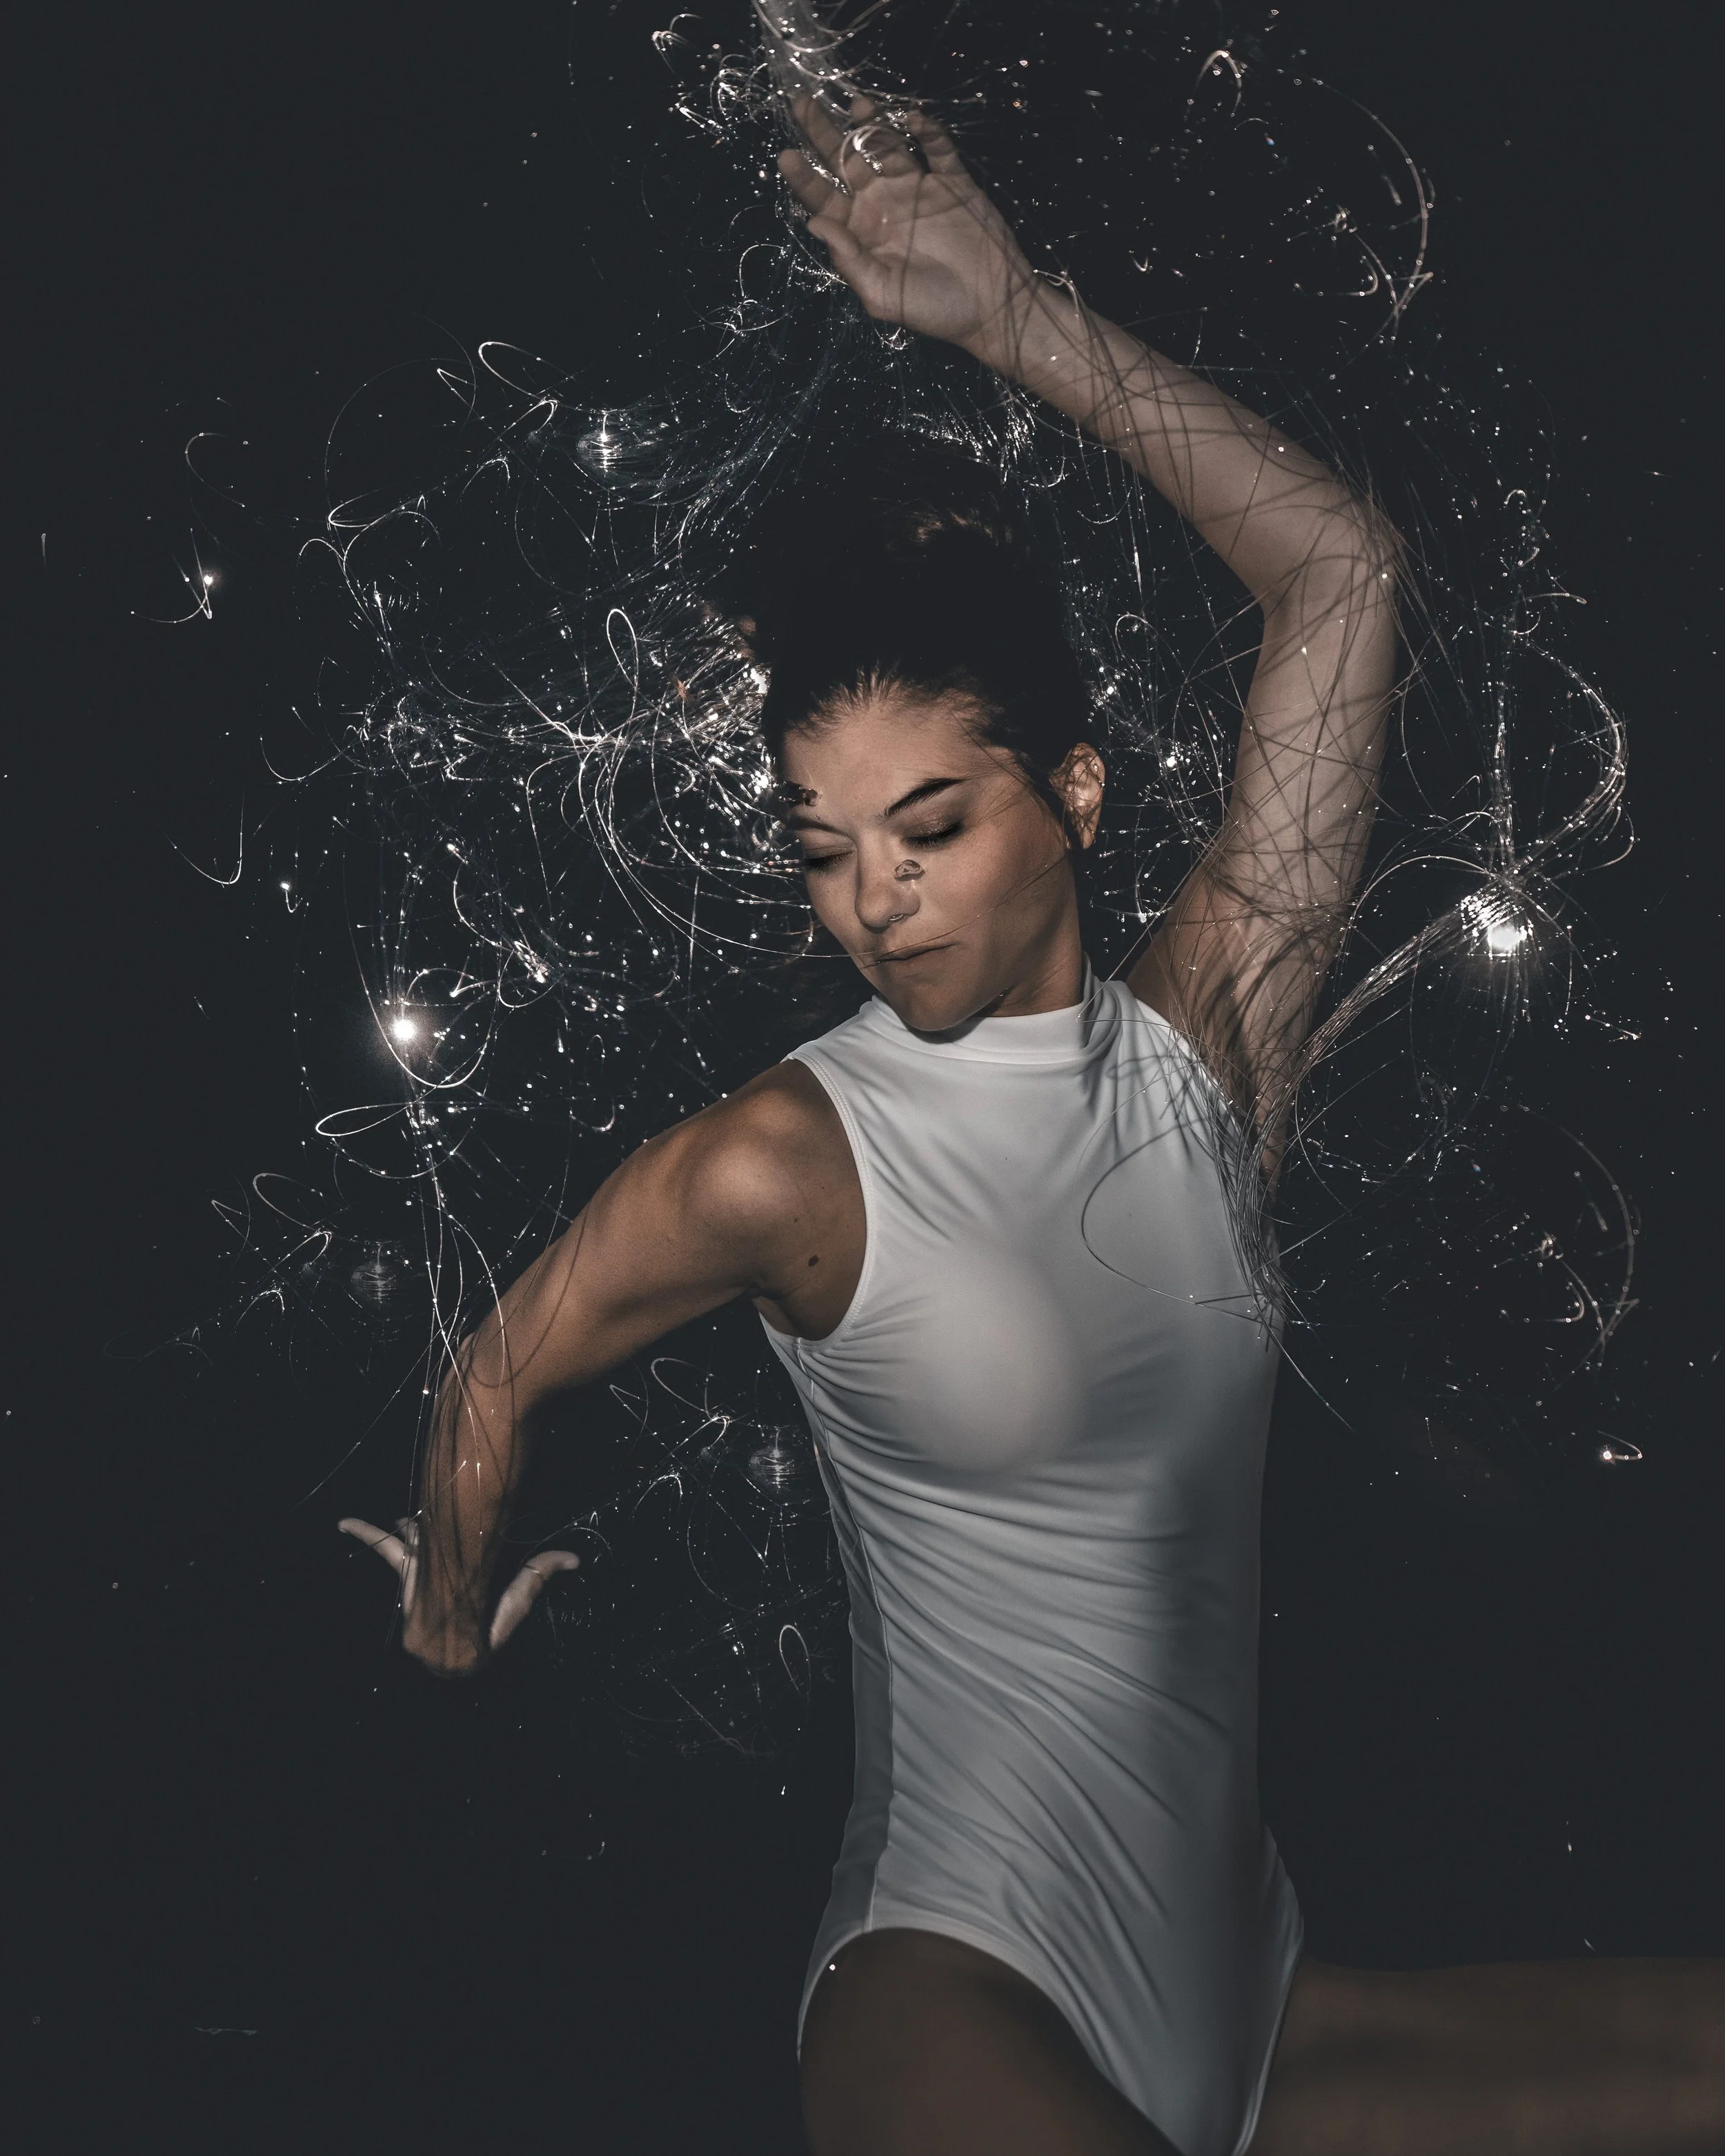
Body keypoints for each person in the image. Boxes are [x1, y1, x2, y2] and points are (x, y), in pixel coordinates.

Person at [342, 94, 1725, 2156]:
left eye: (930, 823)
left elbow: (1342, 575)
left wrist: (1005, 316)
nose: (872, 894)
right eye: (823, 849)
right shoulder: (787, 1160)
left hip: (1250, 1996)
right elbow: (501, 1368)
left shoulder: (1206, 1051)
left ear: (1072, 791)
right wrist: (449, 1623)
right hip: (955, 1986)